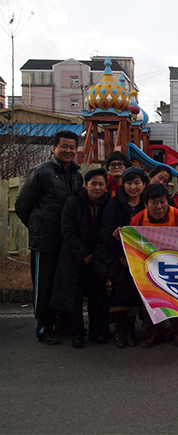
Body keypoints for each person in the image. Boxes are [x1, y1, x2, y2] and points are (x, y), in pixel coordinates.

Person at [15, 130, 84, 345]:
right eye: (64, 146)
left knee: (63, 284)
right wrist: (37, 227)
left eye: (72, 147)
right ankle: (44, 327)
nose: (68, 150)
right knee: (43, 286)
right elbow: (21, 205)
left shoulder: (77, 175)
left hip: (67, 241)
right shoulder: (40, 172)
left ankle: (62, 324)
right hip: (44, 242)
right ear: (54, 148)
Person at [50, 168, 110, 348]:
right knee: (74, 297)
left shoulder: (108, 202)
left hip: (98, 257)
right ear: (86, 185)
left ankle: (95, 331)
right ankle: (77, 332)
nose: (97, 188)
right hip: (75, 257)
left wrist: (97, 254)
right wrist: (84, 254)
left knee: (96, 296)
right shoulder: (73, 202)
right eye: (93, 184)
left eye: (101, 184)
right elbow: (67, 231)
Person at [130, 184, 178, 348]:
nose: (159, 207)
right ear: (145, 204)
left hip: (175, 265)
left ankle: (177, 331)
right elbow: (133, 246)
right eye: (154, 202)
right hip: (149, 267)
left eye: (163, 202)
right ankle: (153, 332)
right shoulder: (138, 220)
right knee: (150, 299)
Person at [100, 167, 148, 348]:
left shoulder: (147, 203)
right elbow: (105, 232)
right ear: (123, 184)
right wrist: (120, 255)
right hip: (119, 258)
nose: (133, 187)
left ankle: (131, 331)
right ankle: (119, 331)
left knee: (136, 294)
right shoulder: (114, 203)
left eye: (137, 183)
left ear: (144, 184)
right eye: (129, 183)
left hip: (142, 259)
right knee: (120, 293)